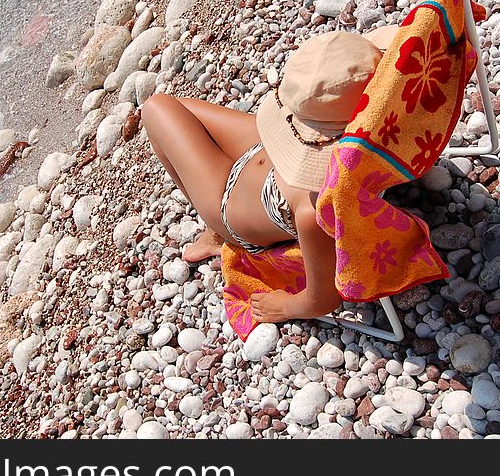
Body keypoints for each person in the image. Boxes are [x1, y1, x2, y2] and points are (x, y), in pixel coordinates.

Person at [141, 26, 398, 324]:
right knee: (175, 109)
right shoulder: (398, 111)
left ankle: (216, 232)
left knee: (155, 108)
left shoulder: (313, 206)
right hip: (270, 160)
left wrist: (286, 307)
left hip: (231, 202)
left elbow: (324, 298)